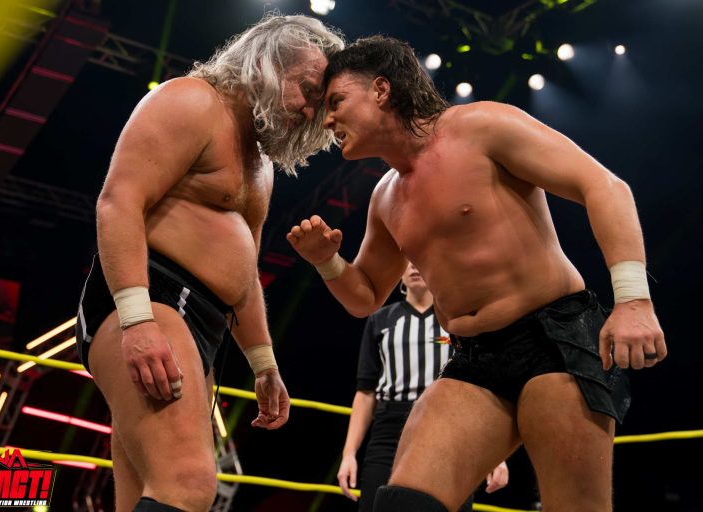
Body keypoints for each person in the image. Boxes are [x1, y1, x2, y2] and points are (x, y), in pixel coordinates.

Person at [287, 36, 666, 512]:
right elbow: (364, 297)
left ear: (381, 90)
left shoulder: (480, 126)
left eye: (337, 102)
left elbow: (605, 186)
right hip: (473, 358)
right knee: (403, 505)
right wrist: (326, 261)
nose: (327, 120)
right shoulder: (385, 197)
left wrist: (633, 300)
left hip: (554, 339)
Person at [74, 15, 344, 512]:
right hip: (154, 297)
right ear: (266, 64)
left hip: (201, 322)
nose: (310, 110)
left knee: (144, 493)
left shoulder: (260, 164)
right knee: (189, 483)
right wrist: (139, 320)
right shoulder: (192, 101)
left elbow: (246, 276)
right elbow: (118, 202)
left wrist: (264, 364)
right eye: (307, 90)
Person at [337, 262, 508, 512]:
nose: (413, 267)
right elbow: (365, 391)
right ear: (398, 273)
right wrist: (349, 454)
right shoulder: (380, 320)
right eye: (406, 262)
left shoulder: (458, 319)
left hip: (449, 423)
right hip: (389, 427)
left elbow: (480, 385)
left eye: (419, 261)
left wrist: (496, 456)